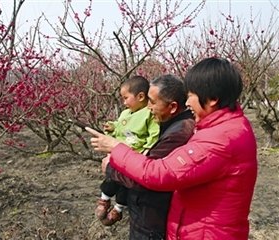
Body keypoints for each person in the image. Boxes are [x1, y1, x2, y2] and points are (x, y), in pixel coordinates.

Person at [86, 57, 258, 240]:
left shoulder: (220, 139)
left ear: (213, 99)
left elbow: (161, 173)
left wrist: (116, 149)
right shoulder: (222, 128)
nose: (188, 102)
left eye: (191, 95)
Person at [106, 74, 195, 239]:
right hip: (146, 214)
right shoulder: (166, 123)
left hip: (152, 220)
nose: (148, 107)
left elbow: (147, 176)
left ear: (173, 107)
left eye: (152, 102)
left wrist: (110, 167)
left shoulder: (179, 133)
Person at [95, 75, 160, 226]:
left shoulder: (149, 114)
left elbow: (154, 133)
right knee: (111, 178)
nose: (123, 102)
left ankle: (118, 209)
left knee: (126, 186)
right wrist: (112, 126)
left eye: (126, 98)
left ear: (141, 96)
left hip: (134, 156)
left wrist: (147, 149)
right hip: (119, 153)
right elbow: (120, 126)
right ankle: (104, 199)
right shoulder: (125, 113)